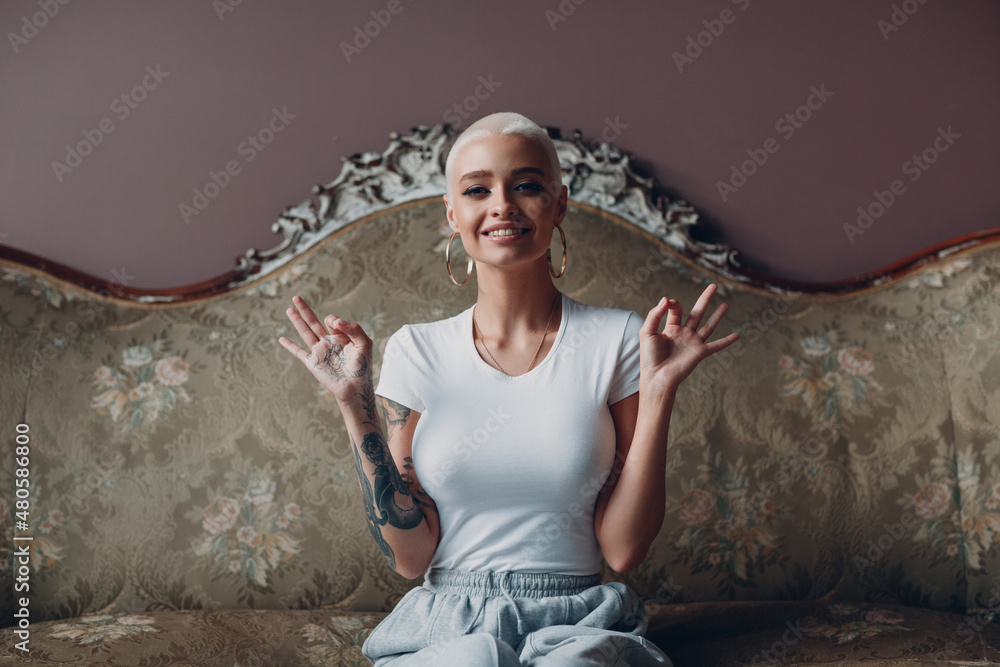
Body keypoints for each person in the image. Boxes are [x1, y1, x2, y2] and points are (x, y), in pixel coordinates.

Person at [278, 112, 740, 666]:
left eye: (526, 185)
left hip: (577, 620)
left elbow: (623, 549)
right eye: (478, 190)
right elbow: (410, 557)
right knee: (475, 659)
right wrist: (355, 405)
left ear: (560, 203)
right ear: (453, 214)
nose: (502, 205)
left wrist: (661, 391)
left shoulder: (618, 338)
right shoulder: (416, 350)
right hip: (449, 624)